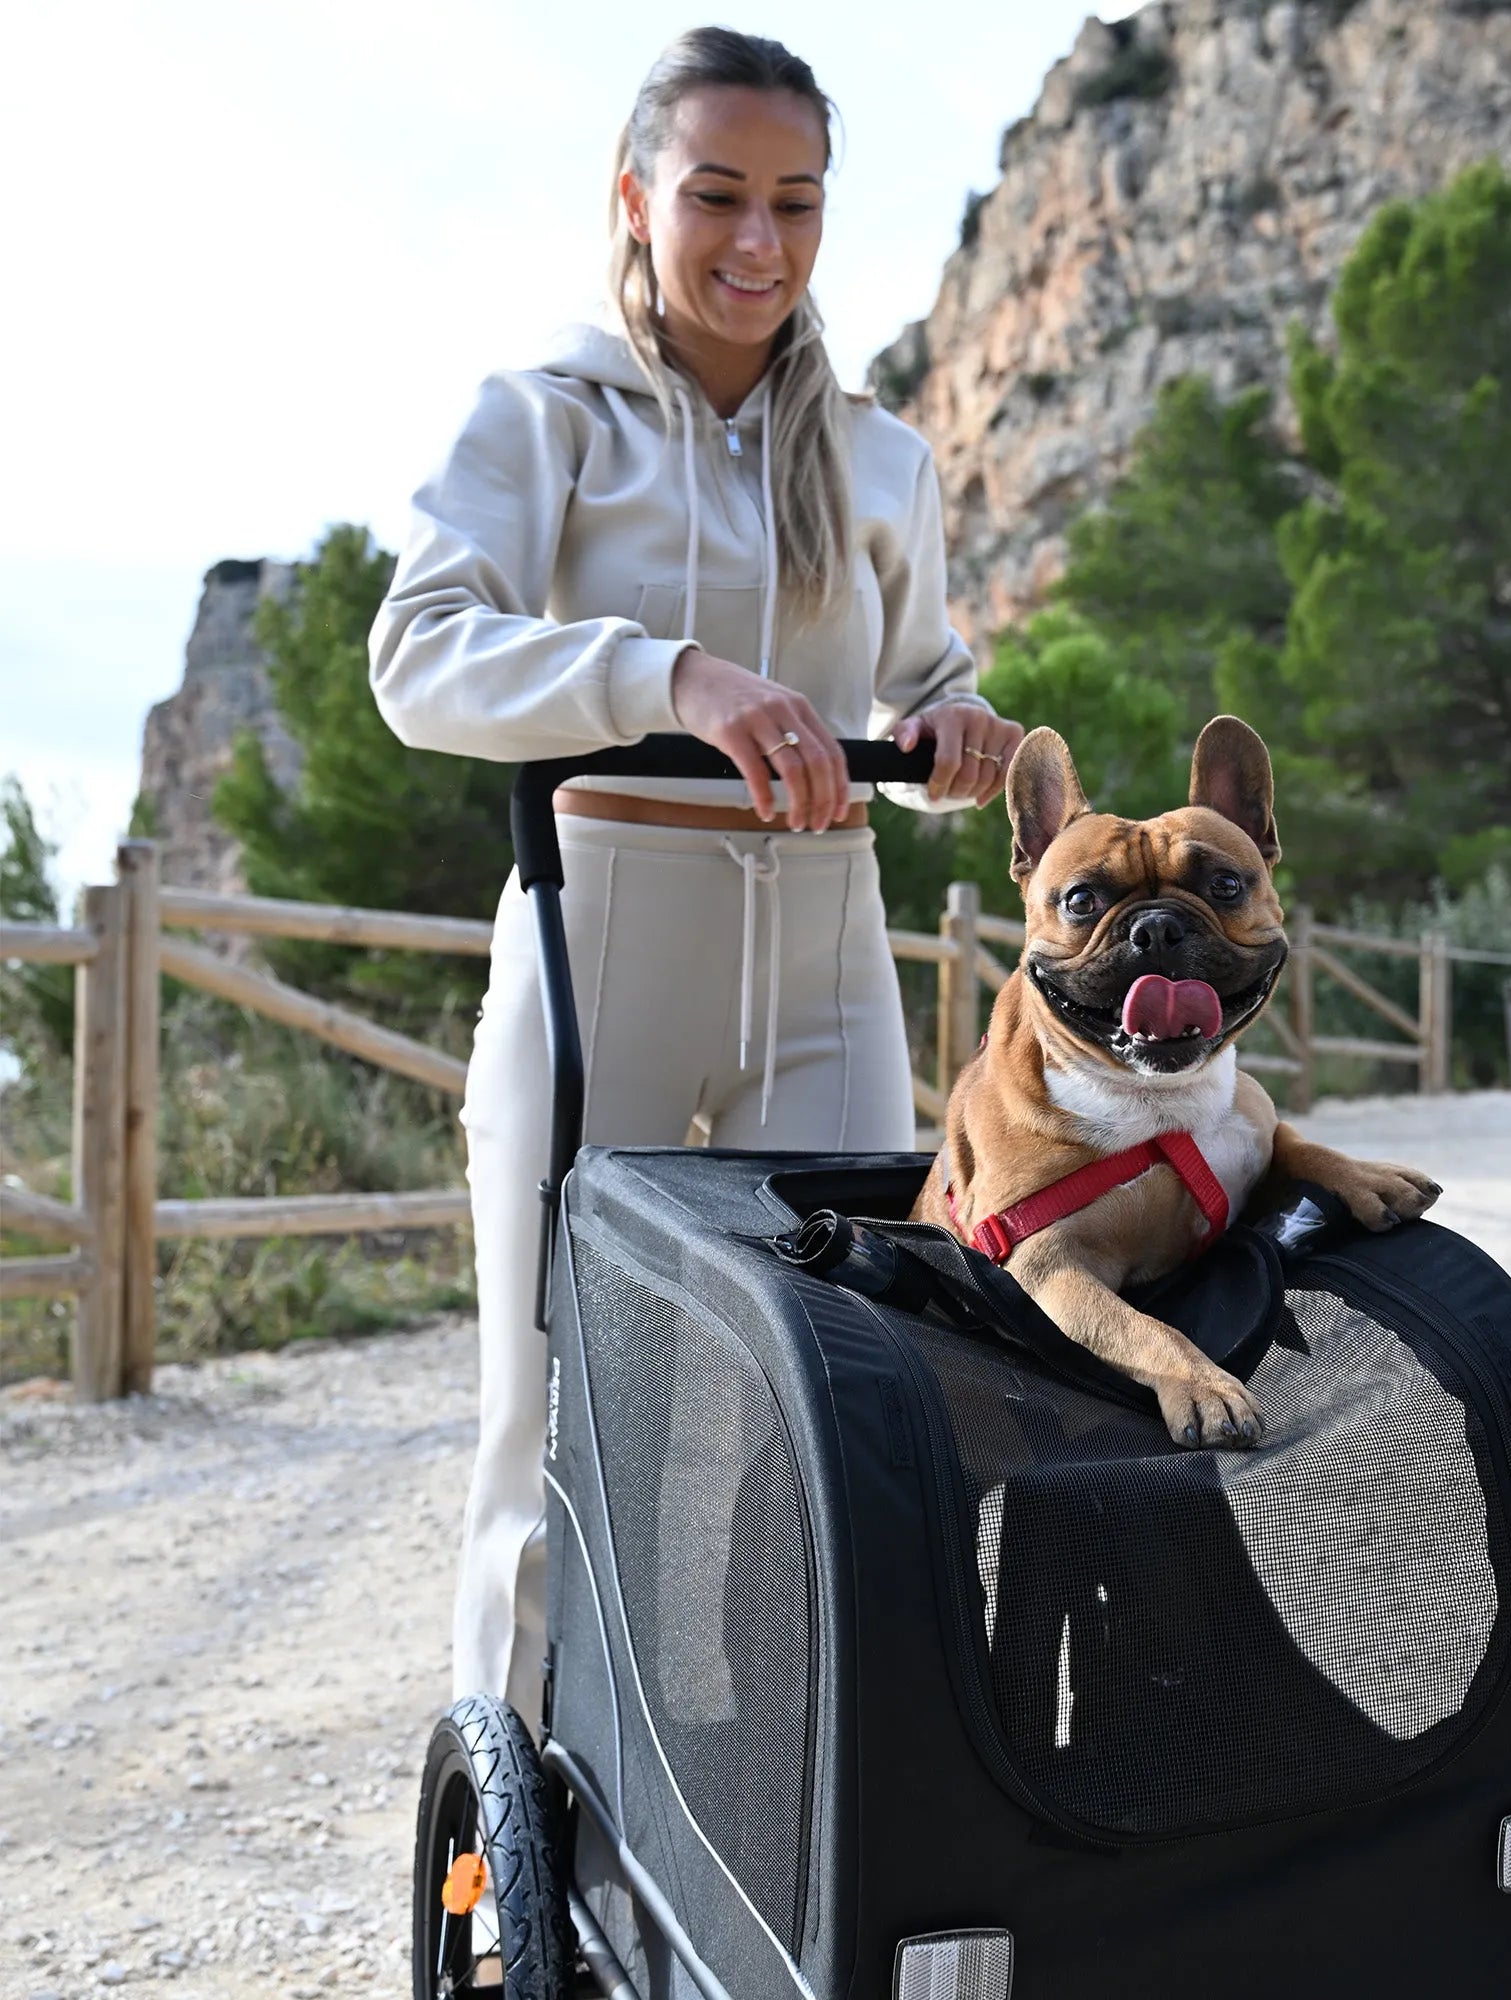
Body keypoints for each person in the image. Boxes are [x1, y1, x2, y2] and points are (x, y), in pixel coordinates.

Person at [368, 26, 1023, 1724]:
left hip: (826, 959)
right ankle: (510, 1857)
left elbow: (925, 674)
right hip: (605, 946)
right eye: (718, 194)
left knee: (857, 1389)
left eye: (797, 202)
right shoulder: (545, 423)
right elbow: (419, 657)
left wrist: (958, 732)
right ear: (636, 198)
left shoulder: (882, 458)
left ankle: (793, 1823)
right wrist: (663, 680)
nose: (760, 242)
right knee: (556, 1407)